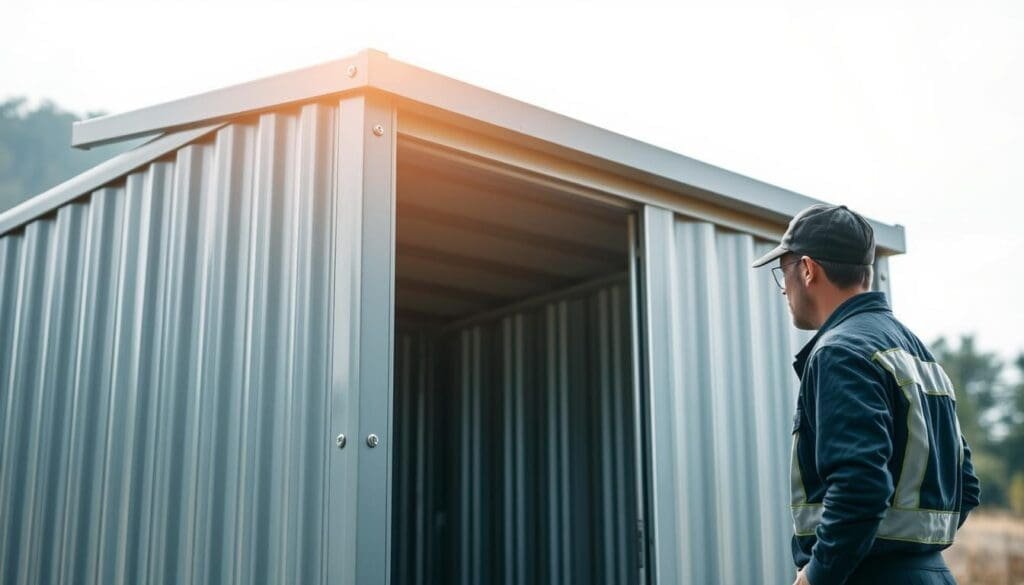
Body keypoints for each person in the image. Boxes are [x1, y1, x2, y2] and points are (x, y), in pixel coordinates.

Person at [751, 204, 981, 585]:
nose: (784, 289)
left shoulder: (839, 352)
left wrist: (817, 574)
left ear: (807, 270)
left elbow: (860, 485)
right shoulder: (919, 355)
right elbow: (966, 486)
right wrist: (914, 554)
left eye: (783, 272)